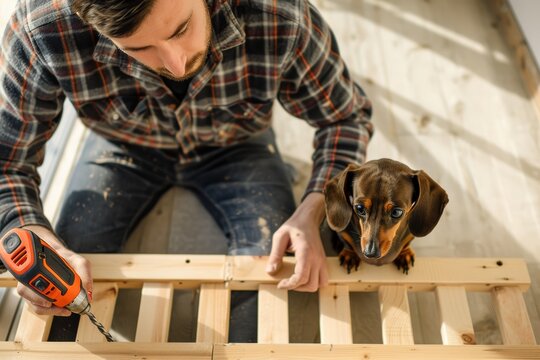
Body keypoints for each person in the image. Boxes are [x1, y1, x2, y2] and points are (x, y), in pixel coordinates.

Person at [0, 0, 372, 341]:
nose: (176, 65)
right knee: (64, 286)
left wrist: (314, 207)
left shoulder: (282, 15)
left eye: (180, 30)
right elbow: (7, 162)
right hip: (123, 146)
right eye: (137, 48)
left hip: (237, 146)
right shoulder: (40, 30)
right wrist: (30, 230)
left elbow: (346, 118)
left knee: (270, 278)